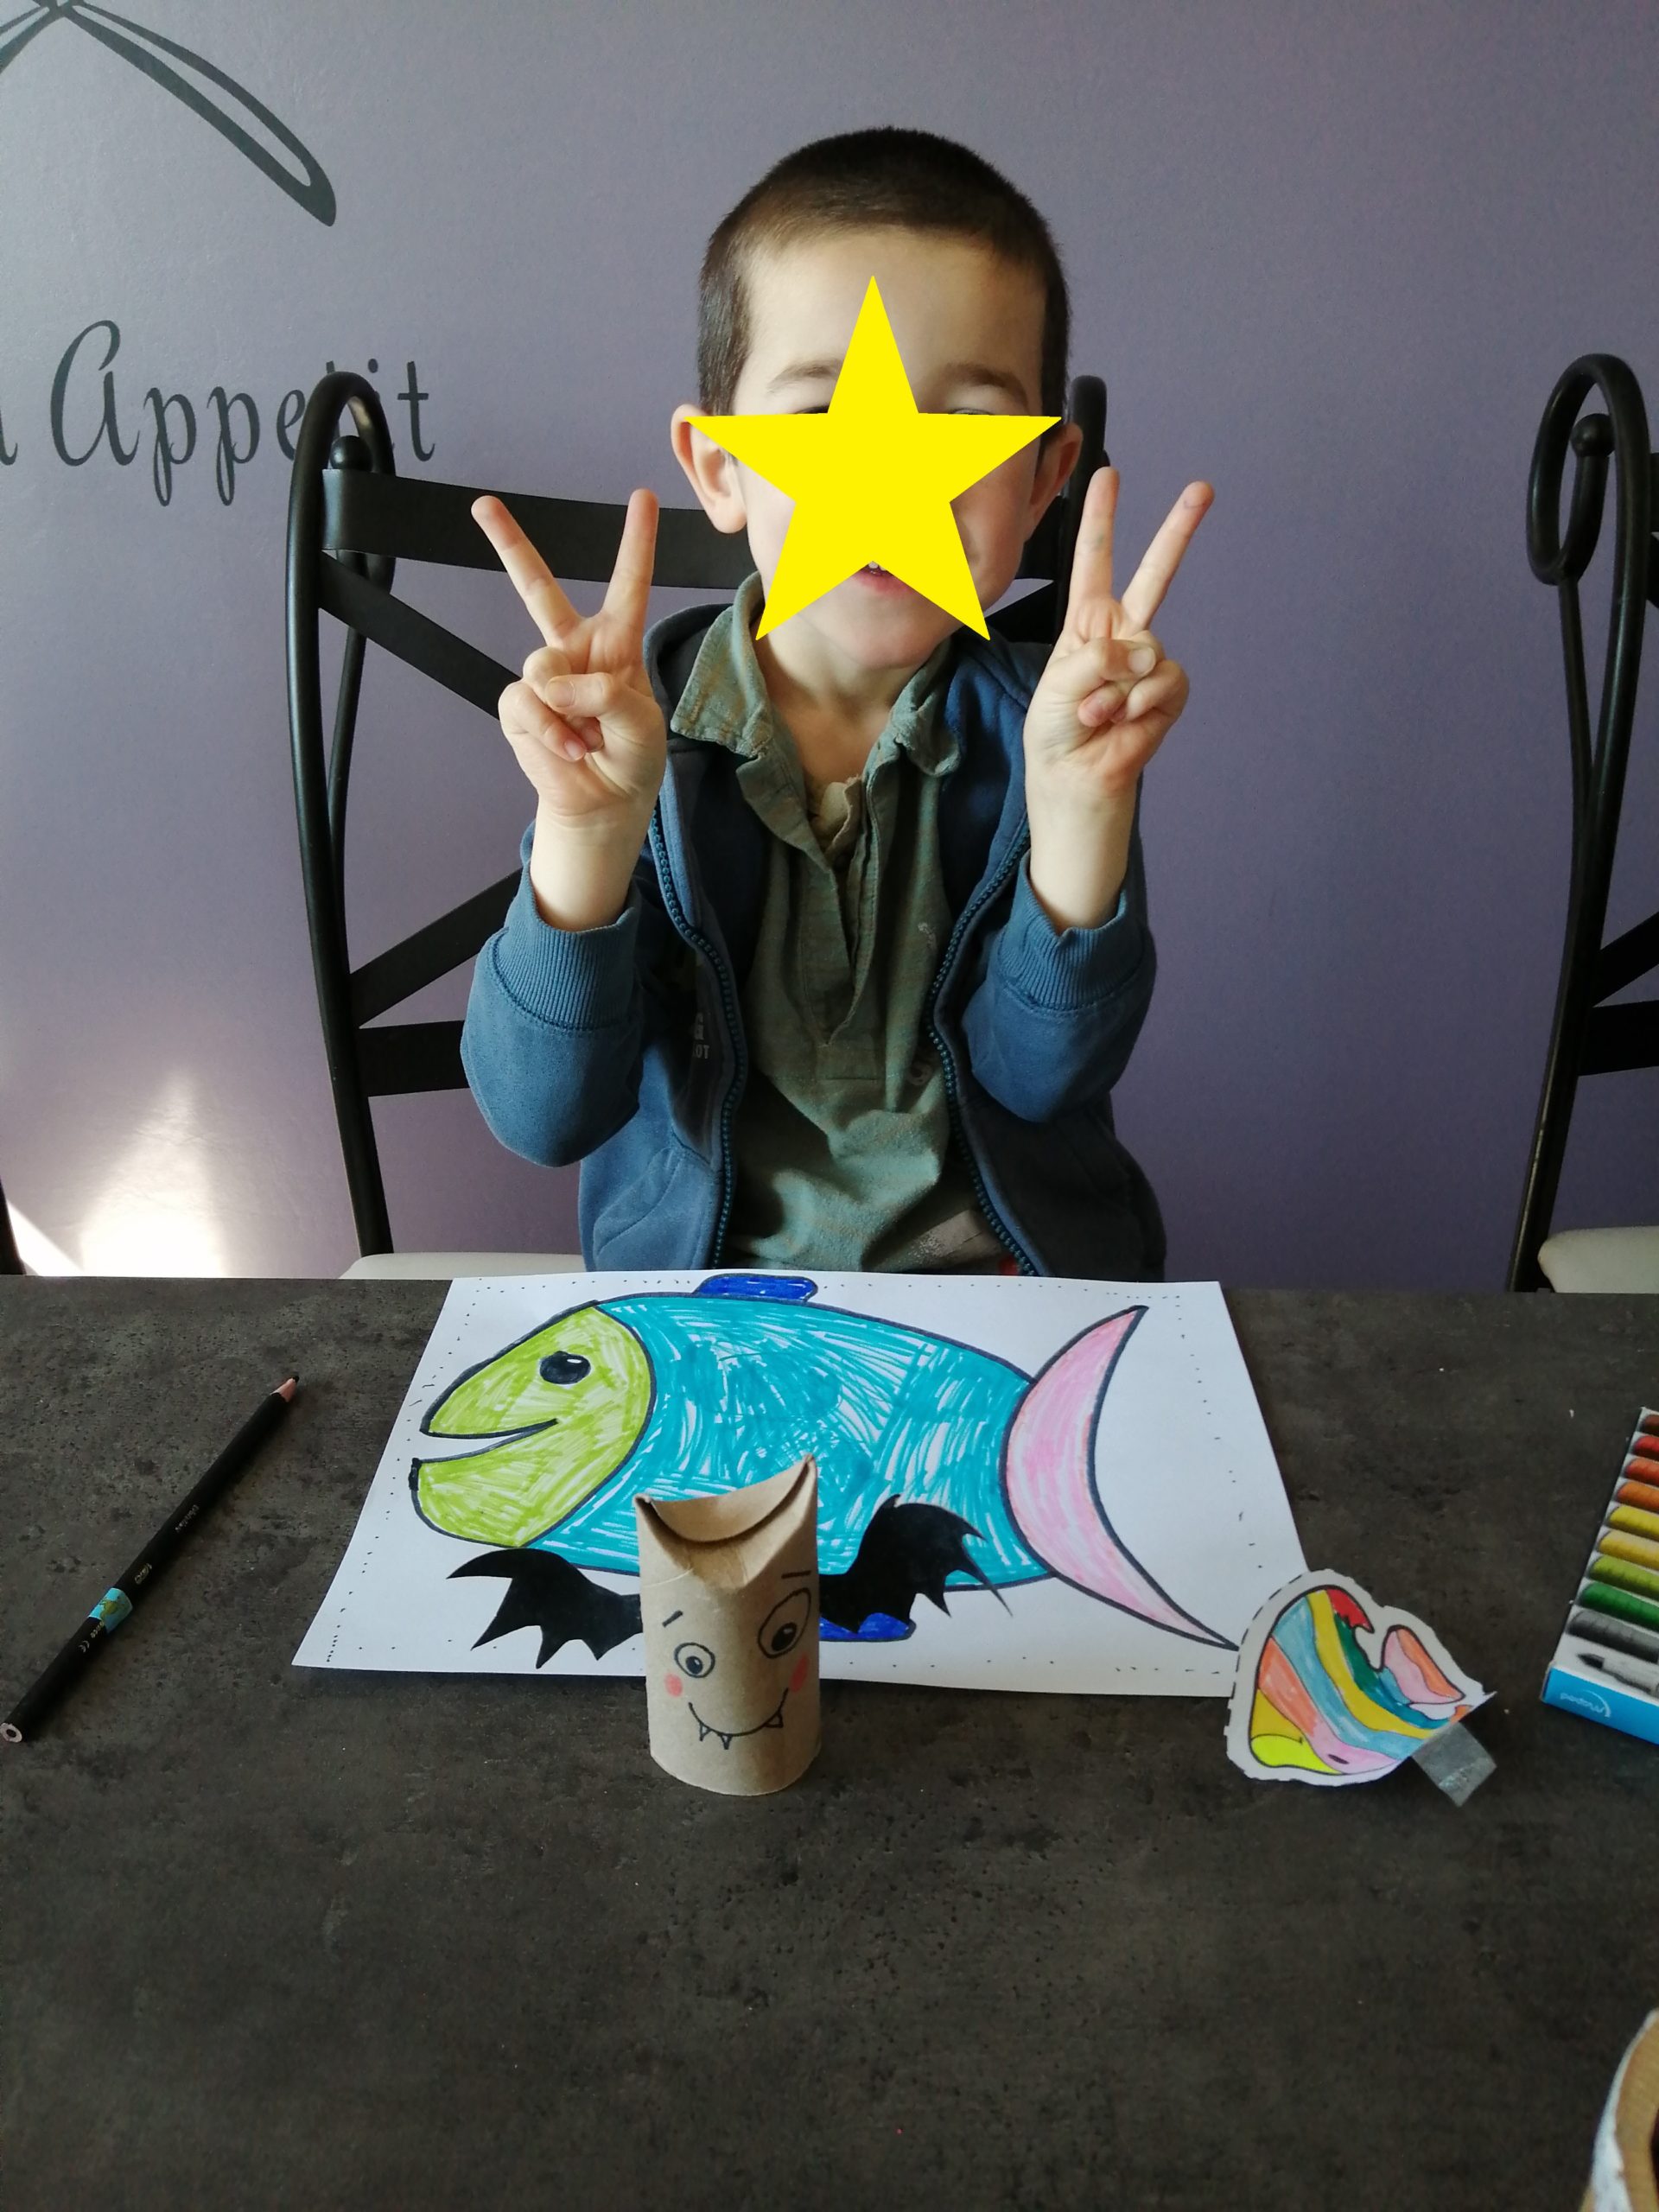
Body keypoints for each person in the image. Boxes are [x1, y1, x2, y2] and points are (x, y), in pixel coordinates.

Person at [461, 125, 1212, 1277]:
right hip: (709, 1305)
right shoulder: (632, 745)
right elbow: (542, 1115)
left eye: (963, 431)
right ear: (721, 467)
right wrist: (586, 834)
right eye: (822, 423)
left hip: (1005, 1295)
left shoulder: (1057, 739)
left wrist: (1081, 815)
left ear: (1042, 480)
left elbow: (1043, 1078)